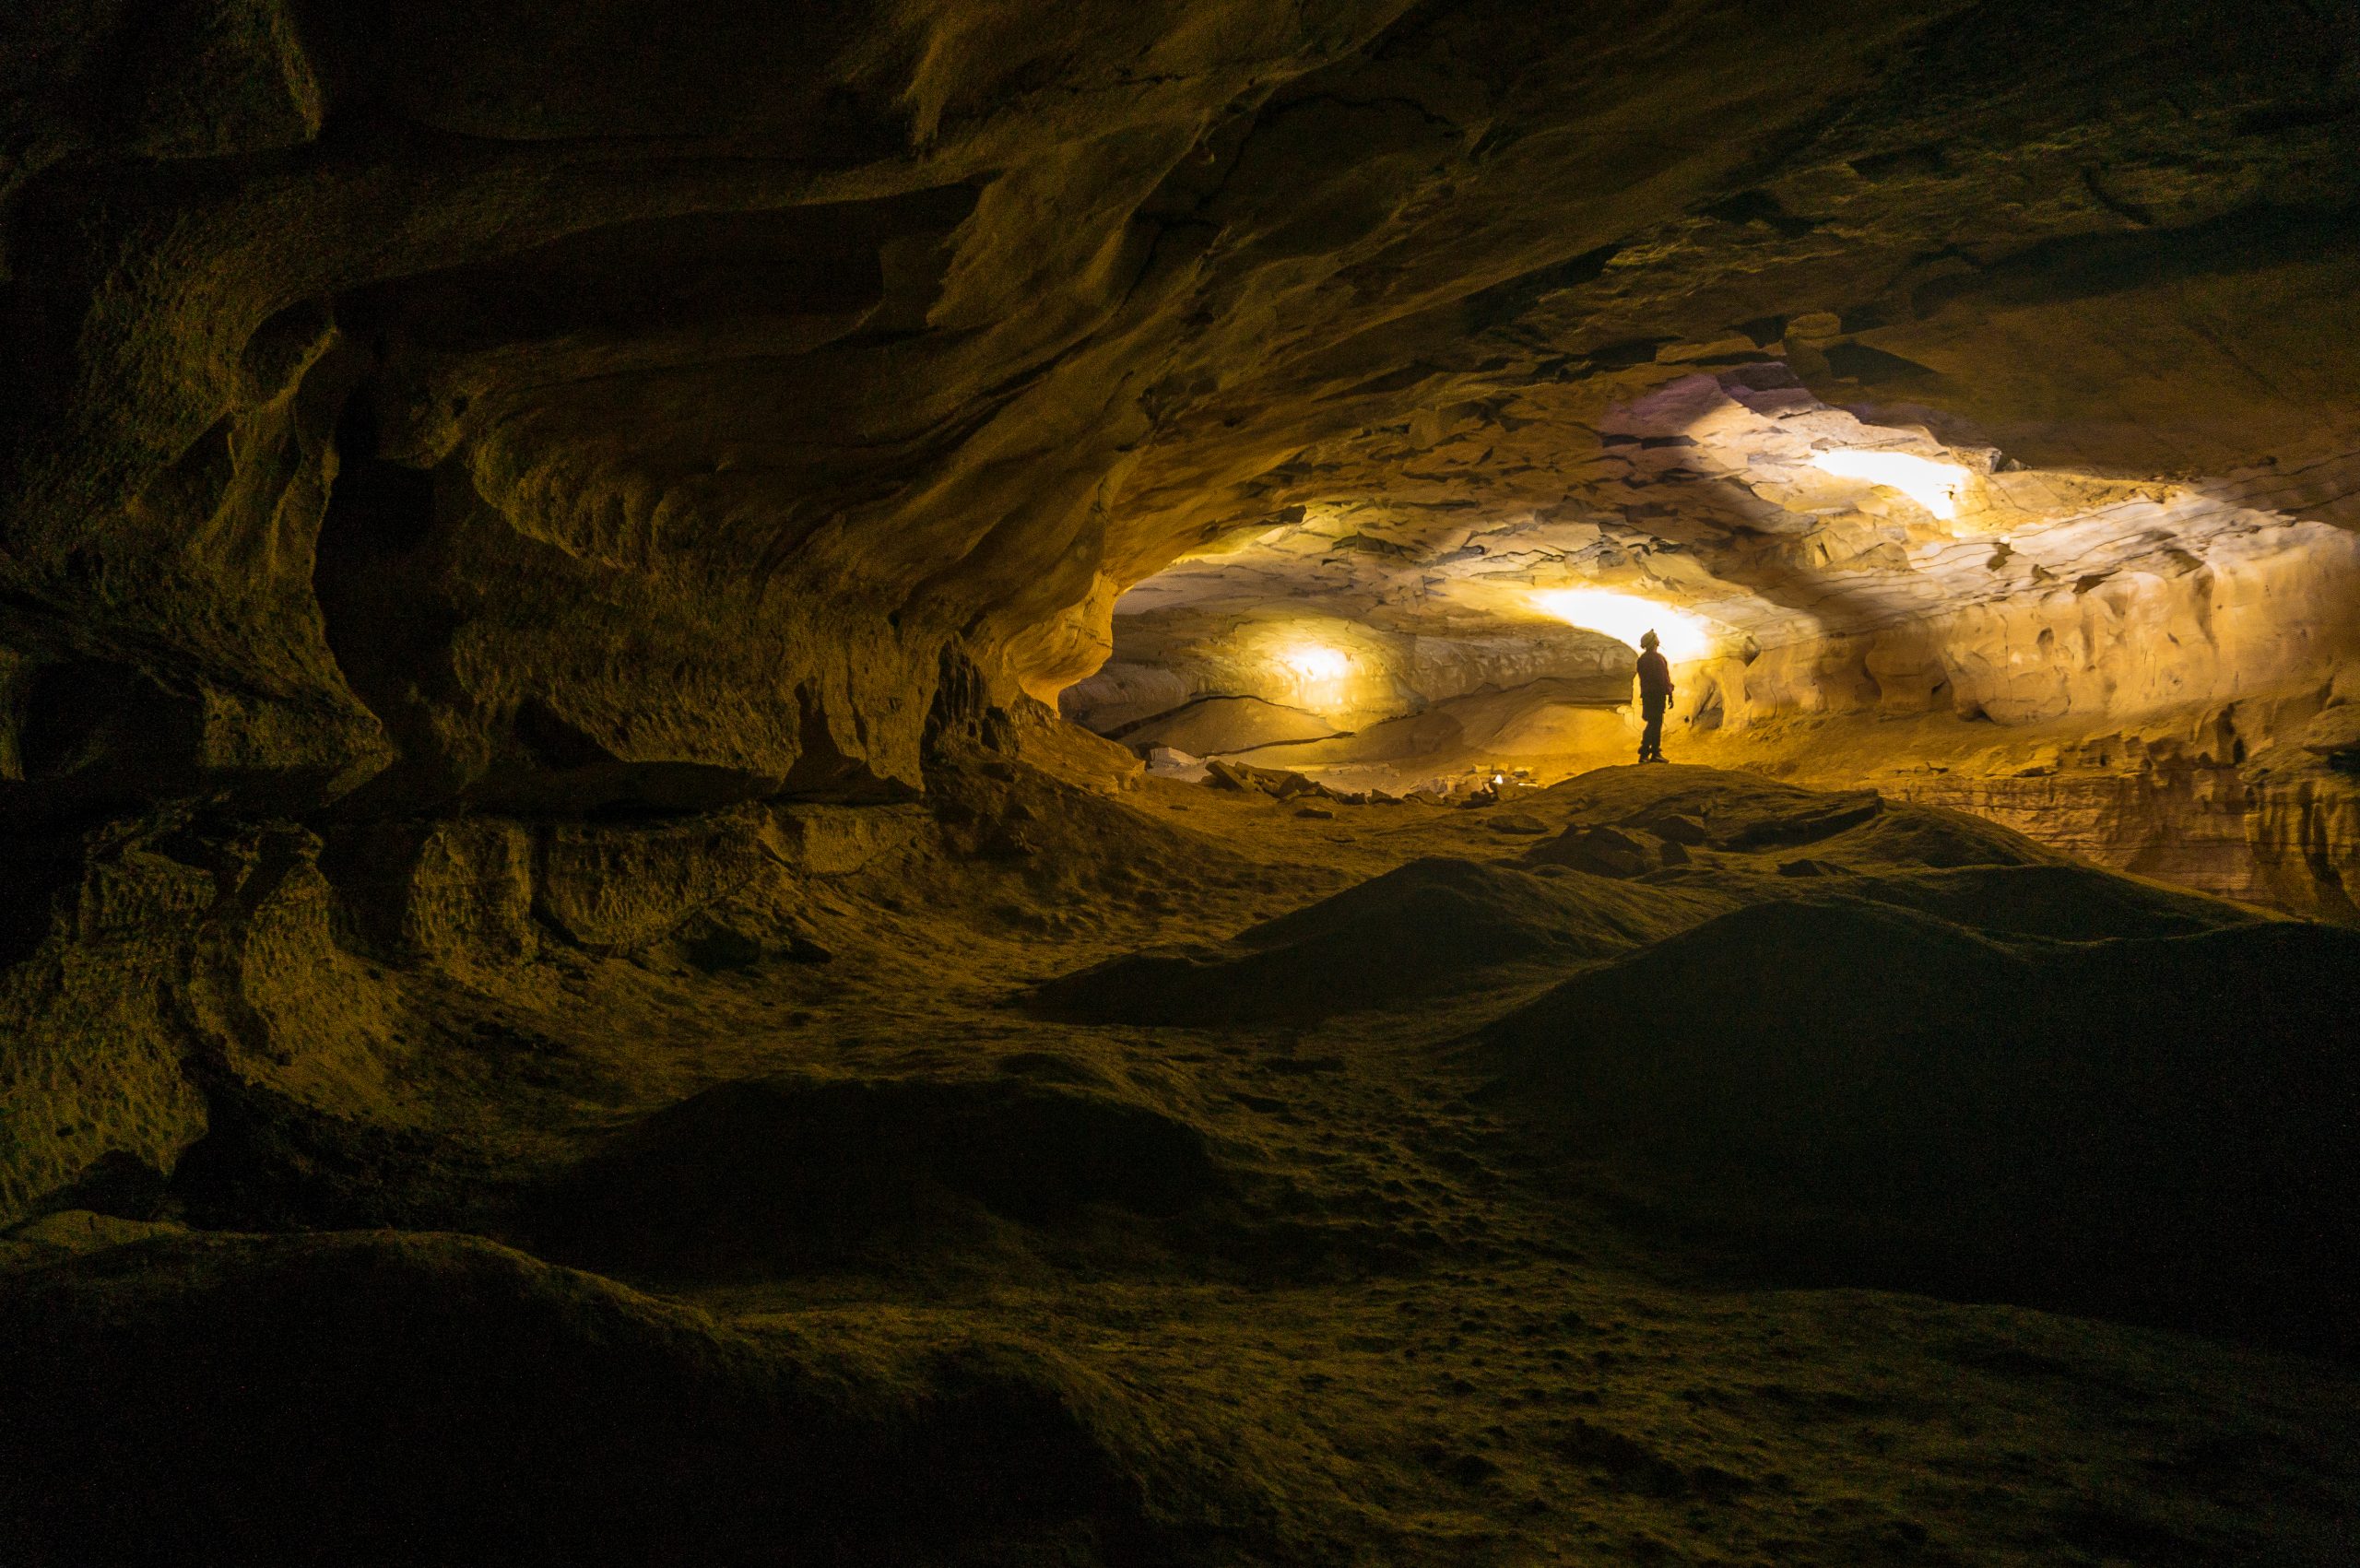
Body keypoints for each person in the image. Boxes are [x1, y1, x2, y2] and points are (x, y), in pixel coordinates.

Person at [1634, 631, 1673, 762]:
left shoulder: (1642, 659)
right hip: (1657, 695)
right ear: (1654, 642)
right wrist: (1670, 693)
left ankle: (1647, 752)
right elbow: (1663, 679)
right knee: (1655, 724)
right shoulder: (1657, 659)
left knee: (1652, 723)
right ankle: (1651, 752)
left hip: (1647, 696)